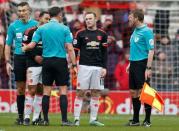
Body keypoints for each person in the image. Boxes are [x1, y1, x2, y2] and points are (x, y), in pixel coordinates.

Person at [22, 6, 77, 126]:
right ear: (59, 15)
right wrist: (74, 64)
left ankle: (46, 120)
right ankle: (64, 120)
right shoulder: (64, 28)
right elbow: (70, 48)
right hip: (60, 61)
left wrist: (24, 47)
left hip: (46, 61)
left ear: (50, 15)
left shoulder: (41, 28)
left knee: (46, 91)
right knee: (63, 90)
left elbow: (31, 45)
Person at [5, 2, 38, 125]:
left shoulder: (36, 25)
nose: (21, 13)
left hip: (33, 58)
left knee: (34, 88)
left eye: (24, 10)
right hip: (19, 58)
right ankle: (20, 117)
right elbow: (7, 45)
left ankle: (35, 117)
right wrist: (8, 62)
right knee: (20, 89)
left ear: (29, 11)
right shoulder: (13, 26)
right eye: (19, 11)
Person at [73, 12, 108, 126]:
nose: (88, 21)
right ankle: (76, 119)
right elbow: (75, 51)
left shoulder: (102, 34)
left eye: (90, 18)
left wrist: (104, 67)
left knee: (96, 93)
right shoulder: (80, 33)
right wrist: (74, 65)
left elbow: (104, 53)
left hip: (98, 67)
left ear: (96, 19)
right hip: (84, 67)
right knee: (80, 92)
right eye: (86, 19)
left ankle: (93, 119)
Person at [126, 9, 154, 127]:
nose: (129, 19)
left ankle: (147, 120)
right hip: (133, 64)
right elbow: (135, 49)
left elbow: (151, 50)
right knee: (133, 92)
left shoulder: (147, 31)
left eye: (131, 17)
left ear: (137, 18)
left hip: (142, 64)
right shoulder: (135, 31)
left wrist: (148, 68)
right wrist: (130, 63)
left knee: (145, 91)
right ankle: (136, 120)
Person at [22, 11, 50, 126]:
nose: (48, 21)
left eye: (49, 19)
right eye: (46, 18)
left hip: (46, 64)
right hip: (32, 64)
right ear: (39, 18)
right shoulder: (29, 31)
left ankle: (35, 118)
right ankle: (27, 117)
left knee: (40, 91)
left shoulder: (49, 32)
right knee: (31, 90)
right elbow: (23, 47)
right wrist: (34, 56)